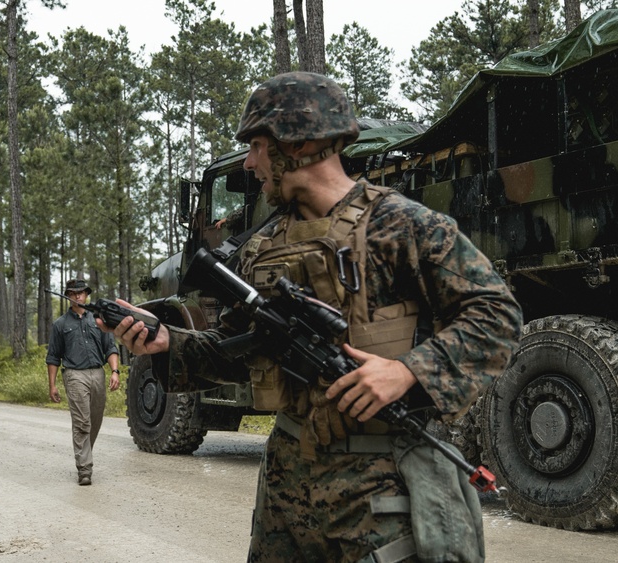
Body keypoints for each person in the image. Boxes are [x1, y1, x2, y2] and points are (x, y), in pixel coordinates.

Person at [103, 73, 522, 562]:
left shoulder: (403, 226)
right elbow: (238, 355)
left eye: (258, 145)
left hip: (380, 489)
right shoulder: (261, 248)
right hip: (286, 487)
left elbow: (497, 315)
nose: (250, 162)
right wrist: (166, 343)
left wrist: (406, 371)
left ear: (299, 143)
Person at [46, 279, 120, 486]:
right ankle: (84, 469)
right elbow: (53, 357)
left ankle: (84, 453)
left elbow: (110, 348)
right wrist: (52, 385)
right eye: (73, 293)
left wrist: (115, 371)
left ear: (87, 294)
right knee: (82, 422)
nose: (78, 296)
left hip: (98, 373)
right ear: (68, 296)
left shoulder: (98, 320)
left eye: (81, 293)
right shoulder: (61, 324)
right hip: (74, 375)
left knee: (95, 420)